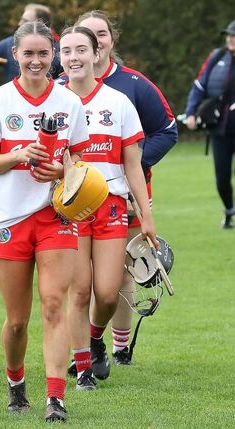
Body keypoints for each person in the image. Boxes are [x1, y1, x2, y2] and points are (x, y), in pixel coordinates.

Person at [0, 20, 90, 422]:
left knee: (54, 306)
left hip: (54, 216)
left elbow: (81, 162)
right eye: (29, 53)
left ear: (52, 55)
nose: (37, 60)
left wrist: (60, 173)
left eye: (44, 53)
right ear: (15, 55)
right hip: (8, 218)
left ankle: (55, 398)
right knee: (18, 321)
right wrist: (19, 156)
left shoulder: (69, 103)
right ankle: (16, 381)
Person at [69, 10, 178, 368]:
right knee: (80, 283)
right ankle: (85, 352)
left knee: (119, 274)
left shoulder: (131, 84)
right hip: (73, 202)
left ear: (110, 40)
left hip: (126, 195)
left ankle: (118, 346)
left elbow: (167, 131)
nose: (96, 41)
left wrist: (136, 166)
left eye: (101, 34)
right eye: (89, 35)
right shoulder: (61, 87)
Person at [59, 25, 158, 388]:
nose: (74, 58)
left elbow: (133, 164)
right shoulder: (53, 101)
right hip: (69, 210)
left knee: (107, 290)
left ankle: (96, 338)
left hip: (112, 206)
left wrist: (146, 216)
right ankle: (83, 367)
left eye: (81, 50)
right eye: (66, 51)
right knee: (80, 290)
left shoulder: (118, 102)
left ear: (96, 52)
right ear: (60, 57)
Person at [185, 19, 235, 229]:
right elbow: (199, 86)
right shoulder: (217, 57)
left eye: (234, 35)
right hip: (220, 130)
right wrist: (191, 112)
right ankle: (229, 210)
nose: (231, 39)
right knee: (222, 178)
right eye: (229, 35)